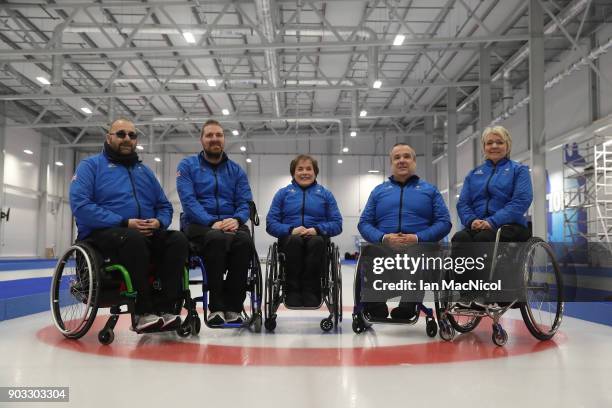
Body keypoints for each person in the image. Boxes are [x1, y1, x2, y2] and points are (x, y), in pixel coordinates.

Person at [70, 118, 188, 332]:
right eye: (121, 134)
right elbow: (81, 206)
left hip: (143, 234)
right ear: (109, 137)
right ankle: (142, 312)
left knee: (178, 240)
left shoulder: (145, 172)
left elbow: (164, 205)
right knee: (133, 239)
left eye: (132, 135)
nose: (127, 139)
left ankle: (166, 310)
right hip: (103, 235)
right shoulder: (91, 167)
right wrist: (124, 222)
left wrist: (158, 222)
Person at [358, 143, 451, 319]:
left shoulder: (429, 191)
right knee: (370, 251)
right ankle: (376, 304)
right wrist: (384, 238)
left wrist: (417, 238)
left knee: (416, 254)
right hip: (386, 246)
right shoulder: (379, 192)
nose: (402, 161)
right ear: (391, 163)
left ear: (414, 162)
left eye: (406, 156)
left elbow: (444, 223)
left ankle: (408, 306)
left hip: (420, 246)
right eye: (397, 157)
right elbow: (364, 223)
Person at [176, 119, 254, 326]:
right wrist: (211, 222)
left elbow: (245, 201)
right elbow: (188, 201)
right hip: (198, 224)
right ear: (202, 140)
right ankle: (216, 307)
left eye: (218, 135)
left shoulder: (236, 170)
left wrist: (237, 219)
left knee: (244, 243)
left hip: (232, 222)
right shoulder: (187, 166)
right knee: (216, 238)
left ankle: (235, 307)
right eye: (209, 135)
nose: (214, 139)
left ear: (224, 139)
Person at [452, 126, 533, 303]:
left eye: (499, 142)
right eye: (489, 143)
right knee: (460, 238)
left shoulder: (519, 170)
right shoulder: (473, 175)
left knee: (484, 239)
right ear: (484, 147)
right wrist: (471, 220)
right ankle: (466, 293)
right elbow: (463, 203)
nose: (494, 146)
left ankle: (484, 292)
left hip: (510, 225)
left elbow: (521, 201)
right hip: (479, 225)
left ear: (508, 146)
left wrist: (492, 221)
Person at [266, 154, 343, 307]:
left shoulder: (326, 195)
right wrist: (290, 230)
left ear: (315, 172)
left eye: (309, 169)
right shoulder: (282, 194)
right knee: (295, 241)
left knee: (316, 243)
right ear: (293, 173)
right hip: (290, 239)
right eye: (300, 169)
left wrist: (317, 229)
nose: (304, 172)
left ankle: (311, 290)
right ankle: (292, 290)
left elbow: (337, 223)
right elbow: (271, 223)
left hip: (317, 239)